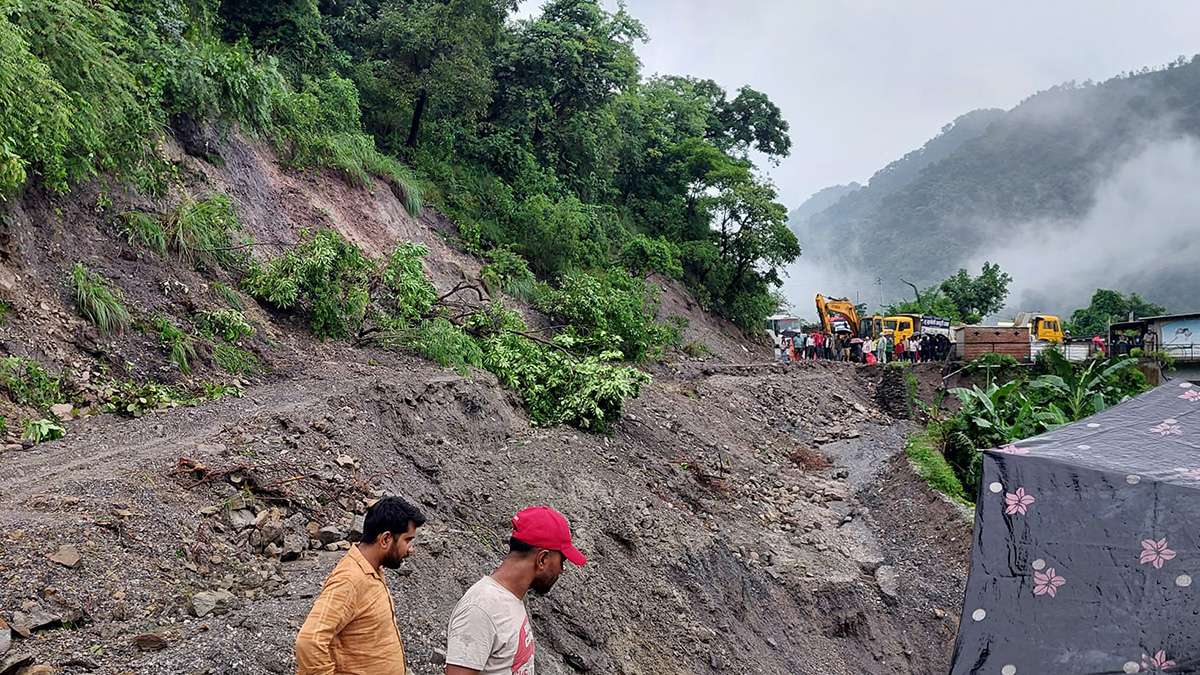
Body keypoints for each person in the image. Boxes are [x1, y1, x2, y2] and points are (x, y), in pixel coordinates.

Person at [445, 506, 586, 675]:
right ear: (542, 559)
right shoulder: (481, 608)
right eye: (561, 561)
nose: (561, 570)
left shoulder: (509, 599)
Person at [296, 496, 426, 675]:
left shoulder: (371, 570)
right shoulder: (349, 579)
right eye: (407, 540)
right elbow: (309, 641)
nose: (411, 549)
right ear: (386, 539)